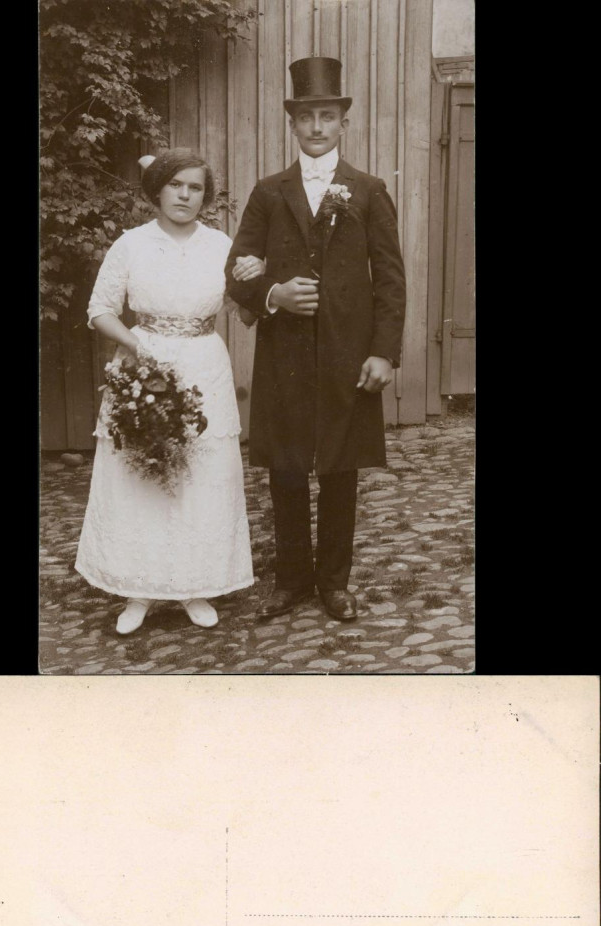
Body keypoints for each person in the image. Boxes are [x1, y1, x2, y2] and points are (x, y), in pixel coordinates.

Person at [226, 56, 406, 622]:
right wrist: (273, 296)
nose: (318, 127)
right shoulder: (268, 192)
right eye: (307, 117)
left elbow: (391, 279)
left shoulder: (368, 191)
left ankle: (334, 583)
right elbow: (237, 267)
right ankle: (292, 582)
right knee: (285, 467)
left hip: (347, 356)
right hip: (285, 357)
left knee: (338, 469)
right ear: (293, 124)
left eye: (328, 116)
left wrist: (384, 350)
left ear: (342, 123)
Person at [75, 149, 260, 634]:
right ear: (156, 190)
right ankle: (140, 590)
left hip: (204, 364)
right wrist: (138, 347)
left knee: (202, 472)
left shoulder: (222, 245)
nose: (184, 195)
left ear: (206, 196)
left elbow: (246, 310)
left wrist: (255, 280)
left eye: (195, 187)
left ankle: (196, 586)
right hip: (143, 365)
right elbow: (100, 310)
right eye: (176, 184)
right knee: (142, 471)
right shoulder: (131, 245)